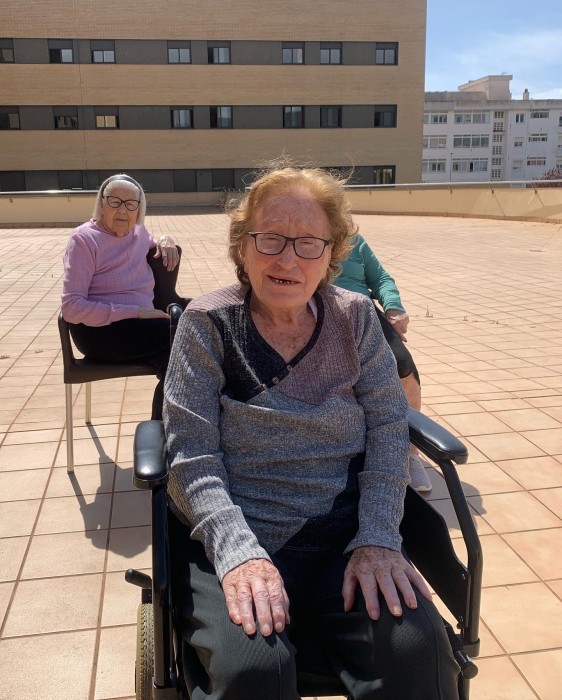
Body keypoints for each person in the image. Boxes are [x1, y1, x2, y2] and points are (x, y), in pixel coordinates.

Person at [163, 166, 459, 700]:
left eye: (308, 242)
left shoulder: (355, 317)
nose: (288, 259)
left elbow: (389, 425)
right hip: (236, 528)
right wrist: (239, 553)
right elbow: (191, 455)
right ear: (243, 247)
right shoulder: (207, 323)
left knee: (416, 651)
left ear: (331, 254)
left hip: (345, 532)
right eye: (270, 238)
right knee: (254, 671)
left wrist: (377, 536)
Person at [61, 173, 179, 421]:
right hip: (99, 331)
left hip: (144, 327)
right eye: (114, 201)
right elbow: (71, 307)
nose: (122, 210)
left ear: (139, 209)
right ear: (101, 204)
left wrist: (165, 239)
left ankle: (166, 430)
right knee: (184, 340)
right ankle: (160, 434)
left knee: (182, 362)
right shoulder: (83, 240)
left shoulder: (139, 232)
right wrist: (135, 312)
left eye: (130, 204)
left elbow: (152, 240)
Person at [334, 234, 432, 492]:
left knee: (404, 367)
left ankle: (410, 453)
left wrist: (393, 306)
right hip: (321, 312)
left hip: (363, 312)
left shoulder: (353, 239)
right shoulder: (306, 235)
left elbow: (380, 278)